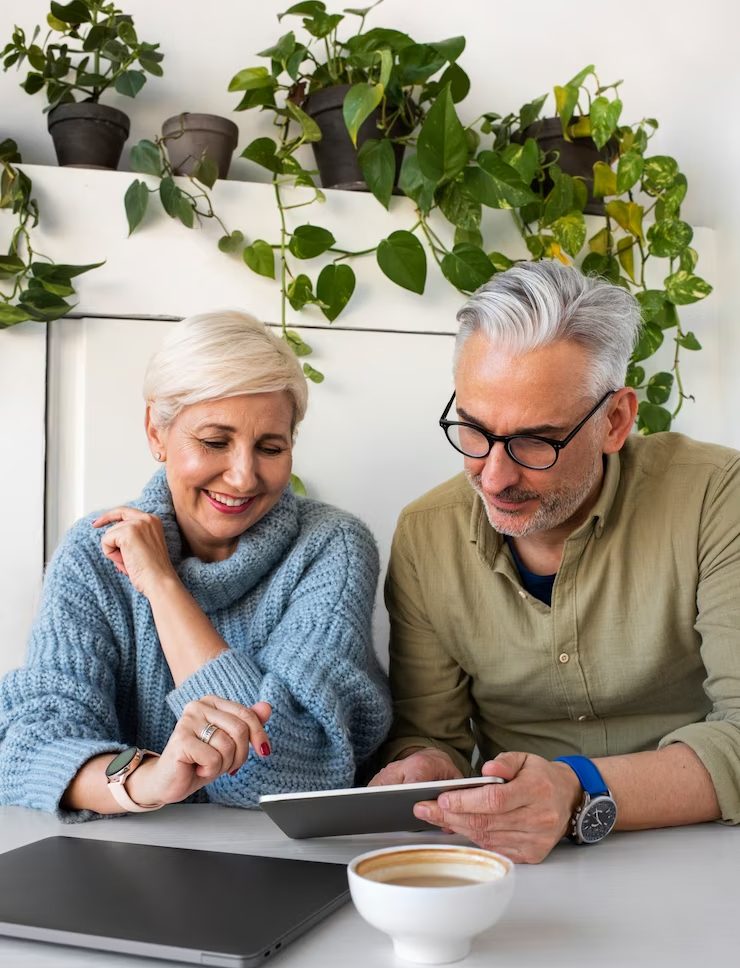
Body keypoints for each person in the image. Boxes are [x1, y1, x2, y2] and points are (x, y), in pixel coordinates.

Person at [371, 260, 740, 862]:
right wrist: (425, 765)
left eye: (535, 441)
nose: (494, 477)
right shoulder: (425, 534)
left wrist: (577, 788)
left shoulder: (717, 496)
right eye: (473, 429)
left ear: (615, 421)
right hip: (514, 861)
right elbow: (429, 733)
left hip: (705, 848)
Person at [0, 311, 391, 820]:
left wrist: (164, 587)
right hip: (126, 851)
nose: (243, 476)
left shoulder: (330, 546)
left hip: (283, 857)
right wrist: (148, 780)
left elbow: (293, 772)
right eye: (215, 442)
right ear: (156, 432)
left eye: (270, 447)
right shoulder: (95, 551)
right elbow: (30, 749)